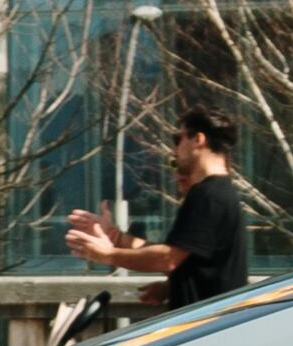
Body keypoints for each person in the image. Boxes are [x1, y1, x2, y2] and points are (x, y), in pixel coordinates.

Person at [61, 113, 250, 311]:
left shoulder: (209, 195)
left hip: (206, 329)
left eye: (178, 139)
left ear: (198, 140)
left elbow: (168, 259)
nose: (174, 151)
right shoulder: (216, 192)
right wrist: (172, 287)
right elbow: (198, 266)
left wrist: (108, 255)